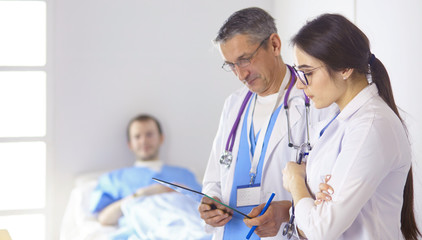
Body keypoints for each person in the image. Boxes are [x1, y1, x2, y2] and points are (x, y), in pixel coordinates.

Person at [199, 7, 336, 239]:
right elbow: (214, 178)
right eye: (231, 65)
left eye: (244, 60)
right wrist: (210, 203)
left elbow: (330, 192)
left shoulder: (314, 101)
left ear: (274, 45)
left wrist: (286, 212)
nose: (240, 75)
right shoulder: (233, 104)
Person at [282, 14, 420, 239]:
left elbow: (320, 230)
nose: (298, 84)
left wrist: (296, 181)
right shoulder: (338, 122)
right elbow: (309, 221)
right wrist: (311, 197)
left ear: (344, 68)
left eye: (307, 73)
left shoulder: (371, 128)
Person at [89, 114, 201, 226]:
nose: (144, 141)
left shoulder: (185, 175)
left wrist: (184, 192)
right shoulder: (115, 179)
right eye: (137, 136)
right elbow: (104, 218)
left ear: (161, 138)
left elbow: (207, 208)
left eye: (149, 134)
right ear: (130, 144)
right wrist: (141, 194)